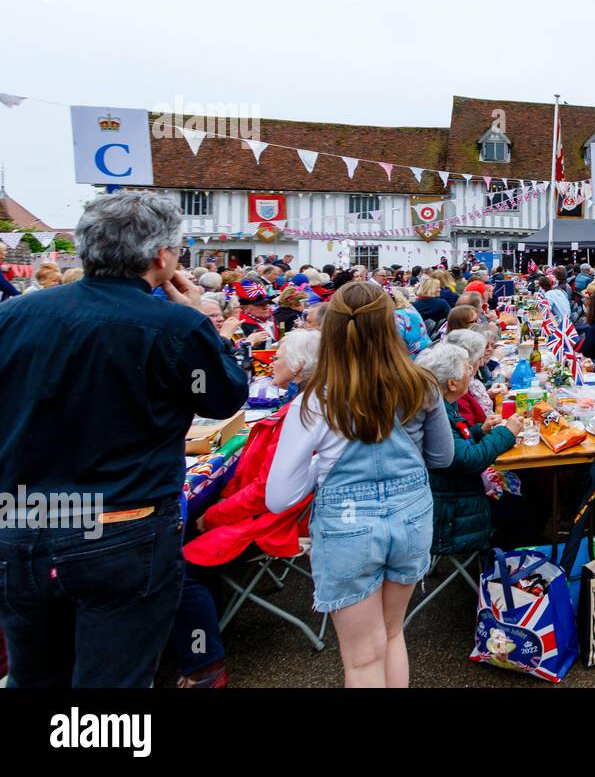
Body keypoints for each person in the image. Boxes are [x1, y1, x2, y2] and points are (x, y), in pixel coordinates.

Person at [0, 191, 248, 686]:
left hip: (23, 523)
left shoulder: (14, 317)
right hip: (118, 529)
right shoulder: (175, 324)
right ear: (162, 256)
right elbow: (224, 398)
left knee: (35, 675)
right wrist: (202, 319)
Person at [266, 281, 454, 688]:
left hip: (348, 527)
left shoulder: (316, 399)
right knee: (391, 633)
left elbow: (279, 497)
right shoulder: (420, 384)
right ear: (390, 327)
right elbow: (442, 458)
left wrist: (322, 471)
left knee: (362, 659)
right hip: (410, 517)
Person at [173, 328, 322, 687]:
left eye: (281, 355)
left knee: (175, 565)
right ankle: (208, 624)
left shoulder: (299, 412)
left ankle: (206, 663)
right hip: (271, 513)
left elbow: (265, 491)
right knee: (186, 533)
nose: (272, 359)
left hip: (270, 522)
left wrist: (214, 515)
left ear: (299, 365)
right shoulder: (304, 404)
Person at [418, 343, 524, 557]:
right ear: (452, 383)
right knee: (526, 507)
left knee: (525, 492)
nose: (471, 372)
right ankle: (504, 570)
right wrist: (506, 433)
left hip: (449, 497)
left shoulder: (441, 404)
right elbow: (469, 460)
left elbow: (456, 444)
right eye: (467, 369)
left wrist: (480, 430)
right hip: (453, 515)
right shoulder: (438, 412)